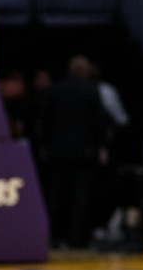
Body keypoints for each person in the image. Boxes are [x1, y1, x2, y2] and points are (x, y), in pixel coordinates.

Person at [39, 56, 109, 249]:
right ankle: (77, 238)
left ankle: (53, 236)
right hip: (84, 151)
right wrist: (101, 146)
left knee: (57, 194)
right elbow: (99, 121)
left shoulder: (55, 89)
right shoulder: (91, 90)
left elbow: (45, 120)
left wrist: (45, 146)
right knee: (81, 195)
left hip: (58, 150)